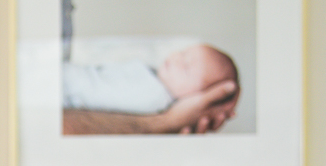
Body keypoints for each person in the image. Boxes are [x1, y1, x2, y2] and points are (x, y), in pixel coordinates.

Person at [62, 43, 240, 135]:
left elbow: (93, 91)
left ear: (197, 100)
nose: (177, 57)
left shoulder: (154, 98)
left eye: (186, 67)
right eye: (183, 52)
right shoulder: (153, 79)